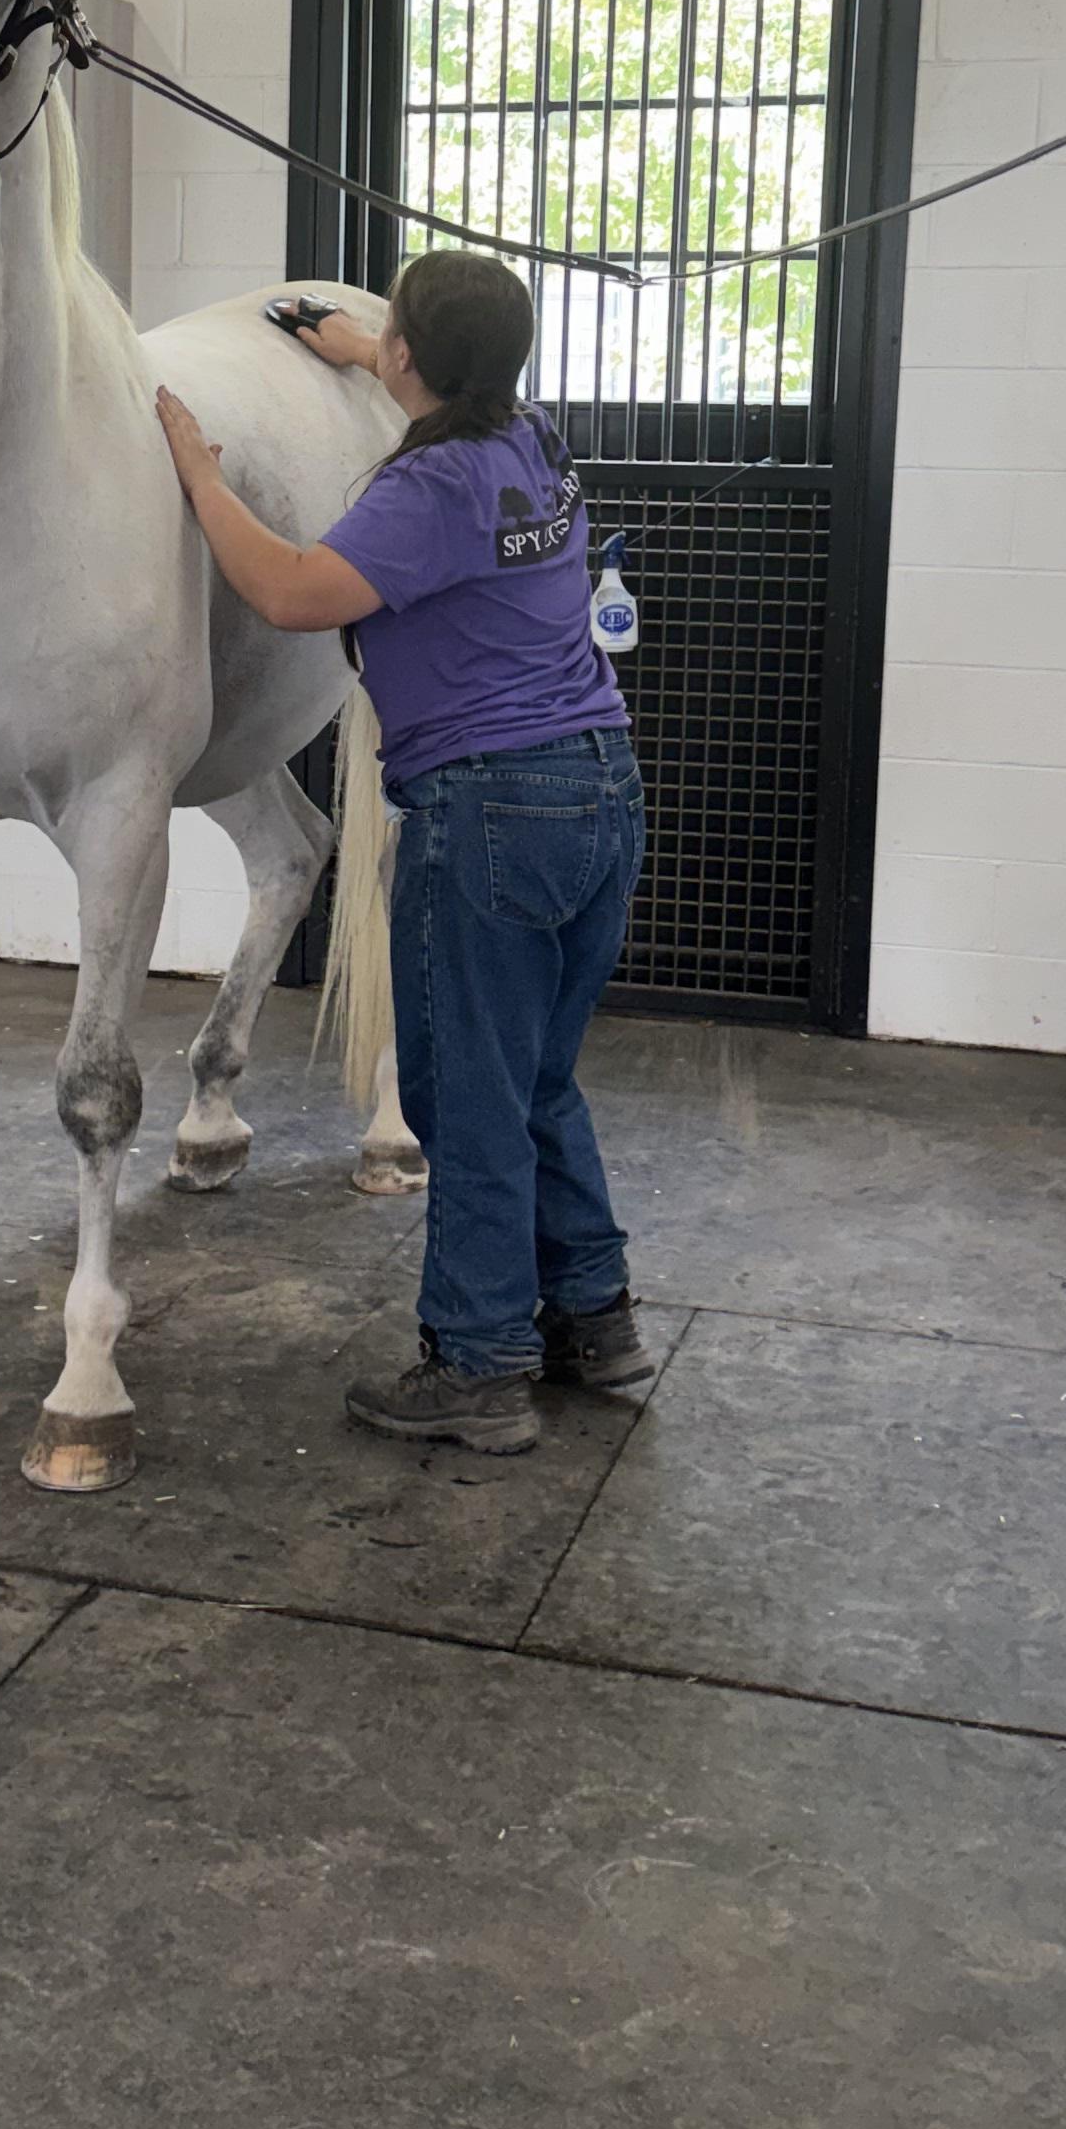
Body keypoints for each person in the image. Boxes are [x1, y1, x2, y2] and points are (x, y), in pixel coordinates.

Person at [153, 251, 652, 1453]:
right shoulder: (533, 441)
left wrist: (199, 474)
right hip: (600, 789)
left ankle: (479, 1361)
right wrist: (353, 347)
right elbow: (438, 388)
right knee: (535, 1078)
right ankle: (594, 1314)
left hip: (488, 811)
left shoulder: (428, 488)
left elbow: (286, 592)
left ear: (413, 361)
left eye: (393, 345)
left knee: (461, 1094)